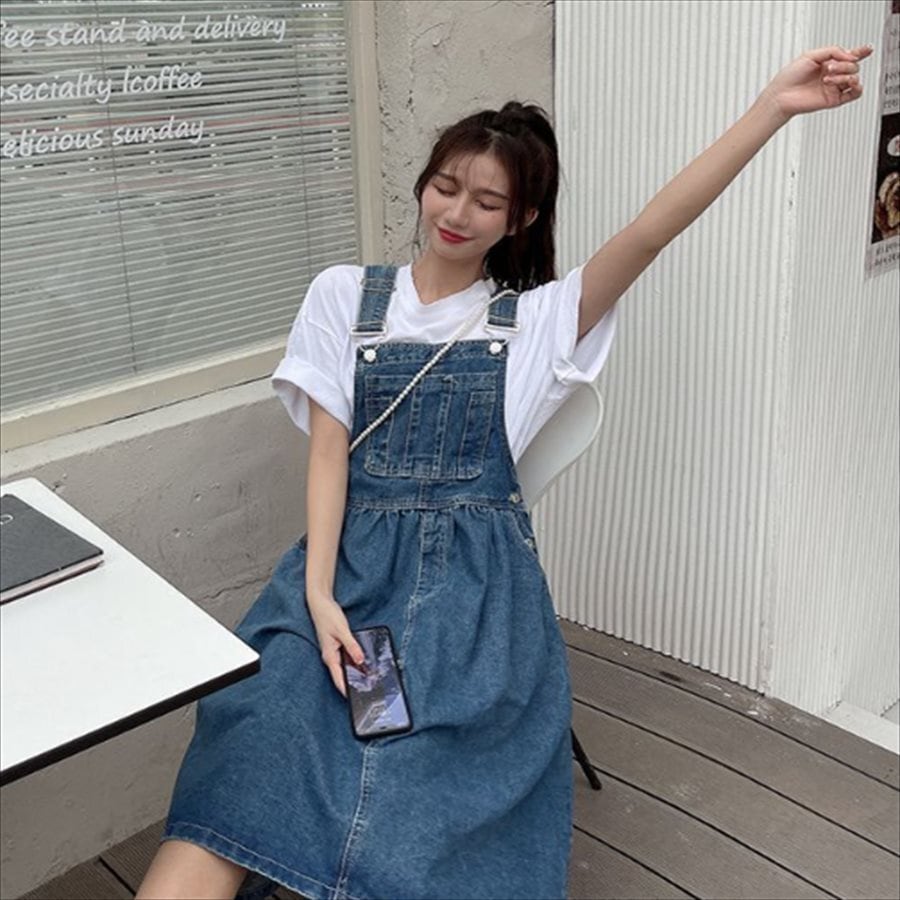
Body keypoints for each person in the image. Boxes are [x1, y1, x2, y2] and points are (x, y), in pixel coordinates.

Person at [137, 43, 871, 900]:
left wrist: (772, 108)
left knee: (423, 801)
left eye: (488, 201)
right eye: (446, 186)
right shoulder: (343, 294)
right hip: (344, 576)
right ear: (423, 184)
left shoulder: (537, 323)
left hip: (477, 609)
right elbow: (330, 451)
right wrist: (320, 597)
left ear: (520, 219)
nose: (457, 213)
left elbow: (652, 230)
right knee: (254, 741)